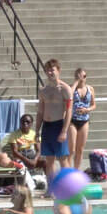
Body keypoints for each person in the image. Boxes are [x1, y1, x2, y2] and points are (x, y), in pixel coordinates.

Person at [36, 58, 74, 188]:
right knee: (49, 160)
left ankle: (69, 188)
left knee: (63, 159)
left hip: (59, 125)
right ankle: (51, 189)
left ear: (58, 71)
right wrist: (36, 131)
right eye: (47, 71)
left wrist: (64, 130)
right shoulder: (43, 90)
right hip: (47, 127)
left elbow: (69, 111)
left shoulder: (65, 89)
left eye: (52, 70)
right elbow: (40, 112)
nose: (50, 73)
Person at [69, 68, 96, 172]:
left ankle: (76, 171)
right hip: (72, 119)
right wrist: (76, 82)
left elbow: (94, 104)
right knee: (71, 149)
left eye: (84, 76)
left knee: (80, 149)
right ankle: (68, 171)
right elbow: (69, 95)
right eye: (79, 76)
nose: (82, 79)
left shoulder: (90, 89)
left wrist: (87, 109)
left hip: (84, 119)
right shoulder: (72, 87)